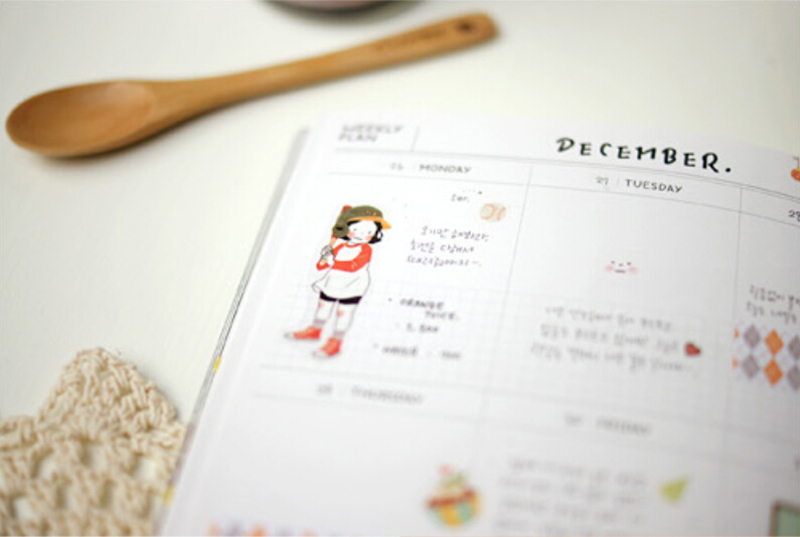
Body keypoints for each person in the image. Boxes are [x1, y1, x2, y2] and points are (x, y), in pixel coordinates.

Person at [286, 205, 391, 358]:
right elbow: (320, 266)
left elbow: (353, 266)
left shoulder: (365, 249)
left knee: (343, 312)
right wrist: (324, 258)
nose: (361, 235)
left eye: (369, 232)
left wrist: (332, 262)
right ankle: (315, 330)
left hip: (352, 285)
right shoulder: (340, 246)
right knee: (323, 307)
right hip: (332, 282)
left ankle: (336, 340)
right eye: (356, 229)